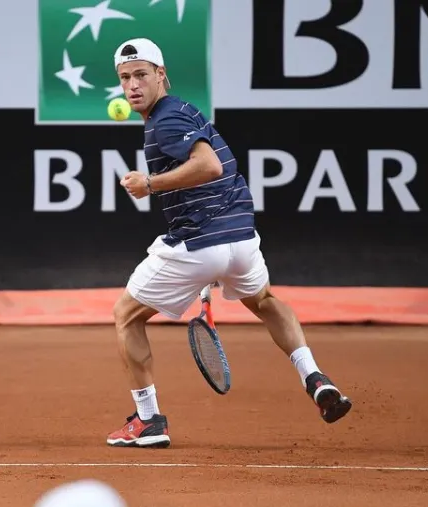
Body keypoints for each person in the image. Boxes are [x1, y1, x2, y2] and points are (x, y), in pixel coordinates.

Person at [106, 38, 352, 449]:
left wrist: (149, 183)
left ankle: (148, 421)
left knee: (126, 316)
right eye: (125, 78)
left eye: (141, 74)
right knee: (266, 302)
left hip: (201, 242)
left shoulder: (166, 121)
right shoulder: (182, 110)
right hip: (241, 239)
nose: (132, 85)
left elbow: (209, 165)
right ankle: (315, 376)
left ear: (161, 75)